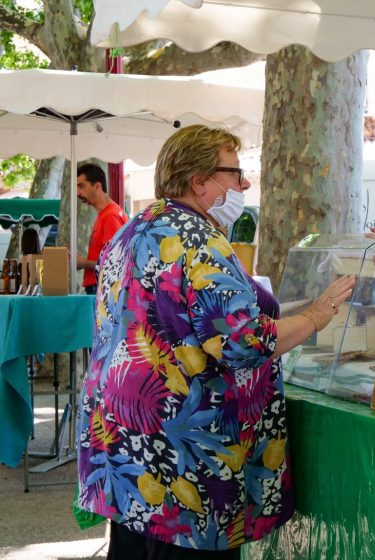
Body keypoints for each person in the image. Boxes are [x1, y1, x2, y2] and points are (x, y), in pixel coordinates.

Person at [76, 125, 355, 559]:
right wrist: (317, 315)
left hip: (124, 443)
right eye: (235, 173)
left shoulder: (133, 230)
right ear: (199, 181)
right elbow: (243, 342)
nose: (243, 185)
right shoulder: (200, 240)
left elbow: (177, 316)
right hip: (181, 454)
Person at [75, 163, 129, 294]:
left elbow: (113, 262)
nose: (77, 193)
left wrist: (82, 262)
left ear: (97, 186)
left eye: (81, 186)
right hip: (100, 285)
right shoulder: (106, 214)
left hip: (102, 287)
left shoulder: (110, 216)